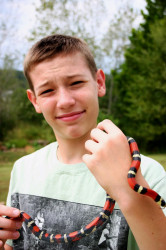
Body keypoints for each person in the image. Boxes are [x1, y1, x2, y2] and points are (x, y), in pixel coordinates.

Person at [0, 34, 166, 250]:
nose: (66, 101)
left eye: (76, 83)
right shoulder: (22, 169)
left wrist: (127, 191)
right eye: (48, 90)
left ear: (99, 83)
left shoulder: (150, 174)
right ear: (34, 100)